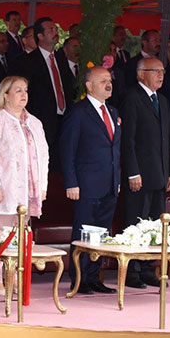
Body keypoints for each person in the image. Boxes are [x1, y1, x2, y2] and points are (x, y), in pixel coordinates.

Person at [0, 76, 48, 295]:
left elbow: (44, 156)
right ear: (5, 95)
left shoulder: (34, 122)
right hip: (1, 188)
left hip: (26, 191)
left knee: (18, 235)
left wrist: (42, 186)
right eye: (18, 90)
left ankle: (12, 277)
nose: (24, 94)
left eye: (26, 90)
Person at [60, 67, 120, 295]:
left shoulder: (113, 111)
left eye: (109, 80)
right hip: (85, 185)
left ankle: (94, 277)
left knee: (102, 234)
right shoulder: (78, 112)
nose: (108, 84)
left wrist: (117, 179)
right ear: (89, 86)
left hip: (109, 184)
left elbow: (115, 150)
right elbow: (67, 150)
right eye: (102, 80)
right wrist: (71, 182)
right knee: (83, 233)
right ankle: (79, 279)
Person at [120, 57, 170, 288]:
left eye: (162, 71)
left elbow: (168, 139)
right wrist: (133, 172)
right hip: (140, 176)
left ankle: (147, 268)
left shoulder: (162, 100)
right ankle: (131, 271)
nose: (161, 75)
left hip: (159, 174)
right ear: (141, 74)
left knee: (154, 223)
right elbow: (128, 140)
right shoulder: (132, 98)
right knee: (135, 221)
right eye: (155, 71)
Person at [18, 17, 75, 171]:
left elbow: (68, 87)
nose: (55, 31)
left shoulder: (61, 59)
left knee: (62, 164)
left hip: (64, 120)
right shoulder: (28, 61)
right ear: (40, 36)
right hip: (41, 121)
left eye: (55, 29)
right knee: (41, 166)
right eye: (51, 29)